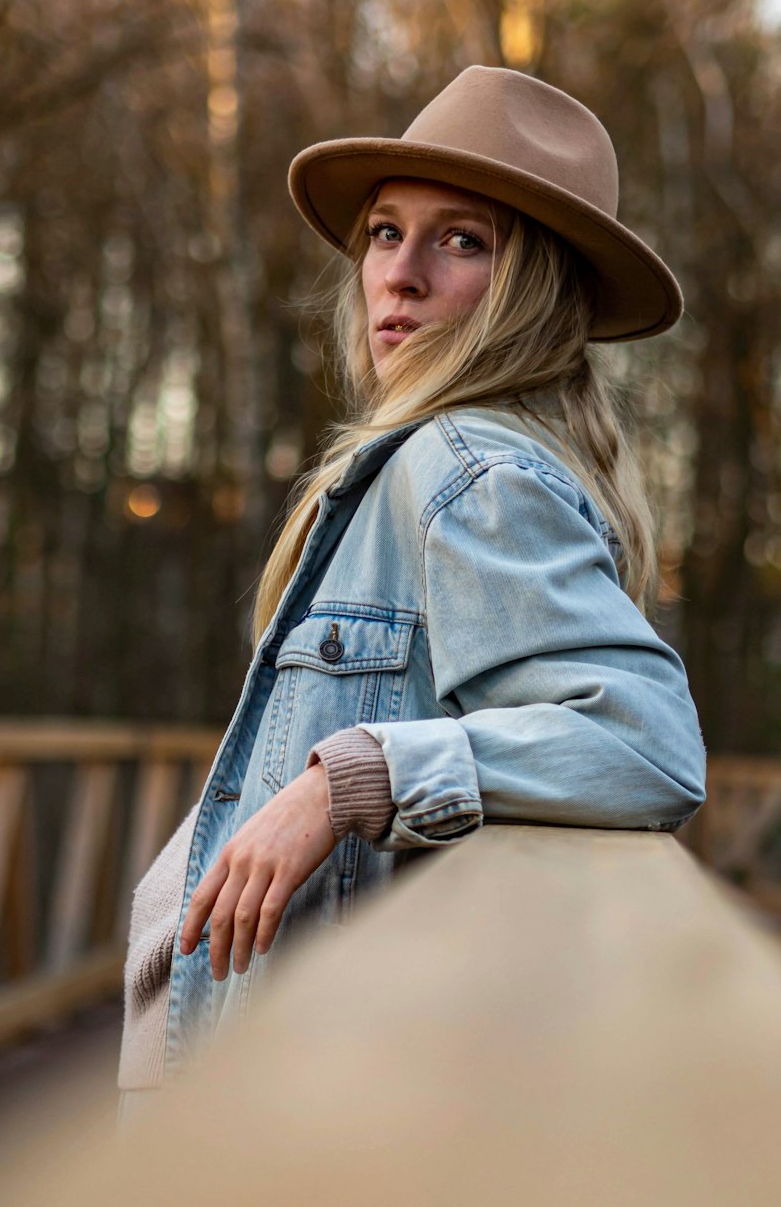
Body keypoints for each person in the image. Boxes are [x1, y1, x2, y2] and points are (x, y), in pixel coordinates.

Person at [117, 65, 706, 1112]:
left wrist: (346, 780)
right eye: (386, 232)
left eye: (462, 240)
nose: (399, 274)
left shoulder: (466, 469)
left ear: (534, 285)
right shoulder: (424, 470)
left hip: (308, 1089)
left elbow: (642, 744)